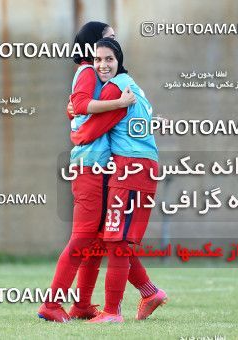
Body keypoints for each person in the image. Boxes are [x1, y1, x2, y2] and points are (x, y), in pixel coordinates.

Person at [38, 21, 136, 322]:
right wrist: (120, 103)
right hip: (89, 166)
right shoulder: (87, 71)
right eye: (109, 38)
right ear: (93, 43)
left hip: (98, 165)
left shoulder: (98, 74)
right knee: (82, 238)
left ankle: (81, 305)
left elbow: (77, 107)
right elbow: (79, 104)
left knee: (94, 240)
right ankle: (51, 305)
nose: (114, 43)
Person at [69, 38, 167, 323]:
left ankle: (112, 312)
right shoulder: (129, 83)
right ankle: (150, 293)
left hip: (132, 168)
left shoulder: (116, 88)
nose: (102, 65)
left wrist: (75, 125)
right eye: (98, 59)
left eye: (109, 59)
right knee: (110, 238)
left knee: (117, 241)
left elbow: (89, 133)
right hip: (134, 166)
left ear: (119, 60)